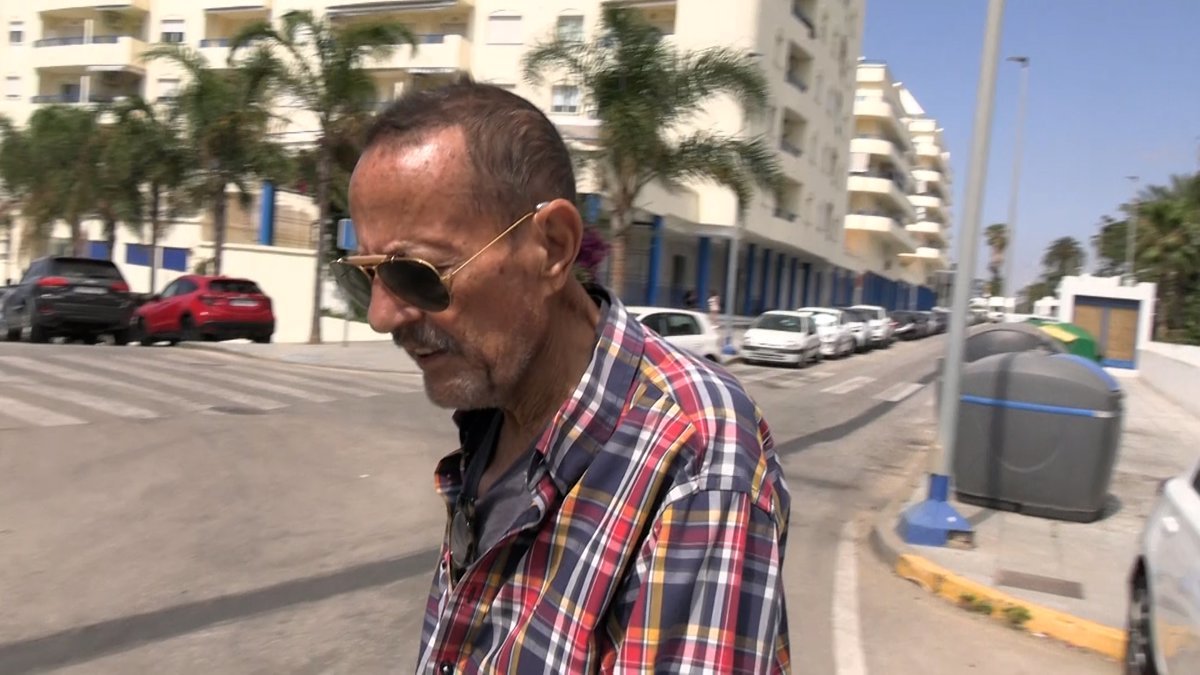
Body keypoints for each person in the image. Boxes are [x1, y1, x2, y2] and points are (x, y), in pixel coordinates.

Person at [334, 77, 791, 674]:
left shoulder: (697, 456)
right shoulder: (496, 410)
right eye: (365, 275)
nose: (381, 316)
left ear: (551, 247)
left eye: (417, 274)